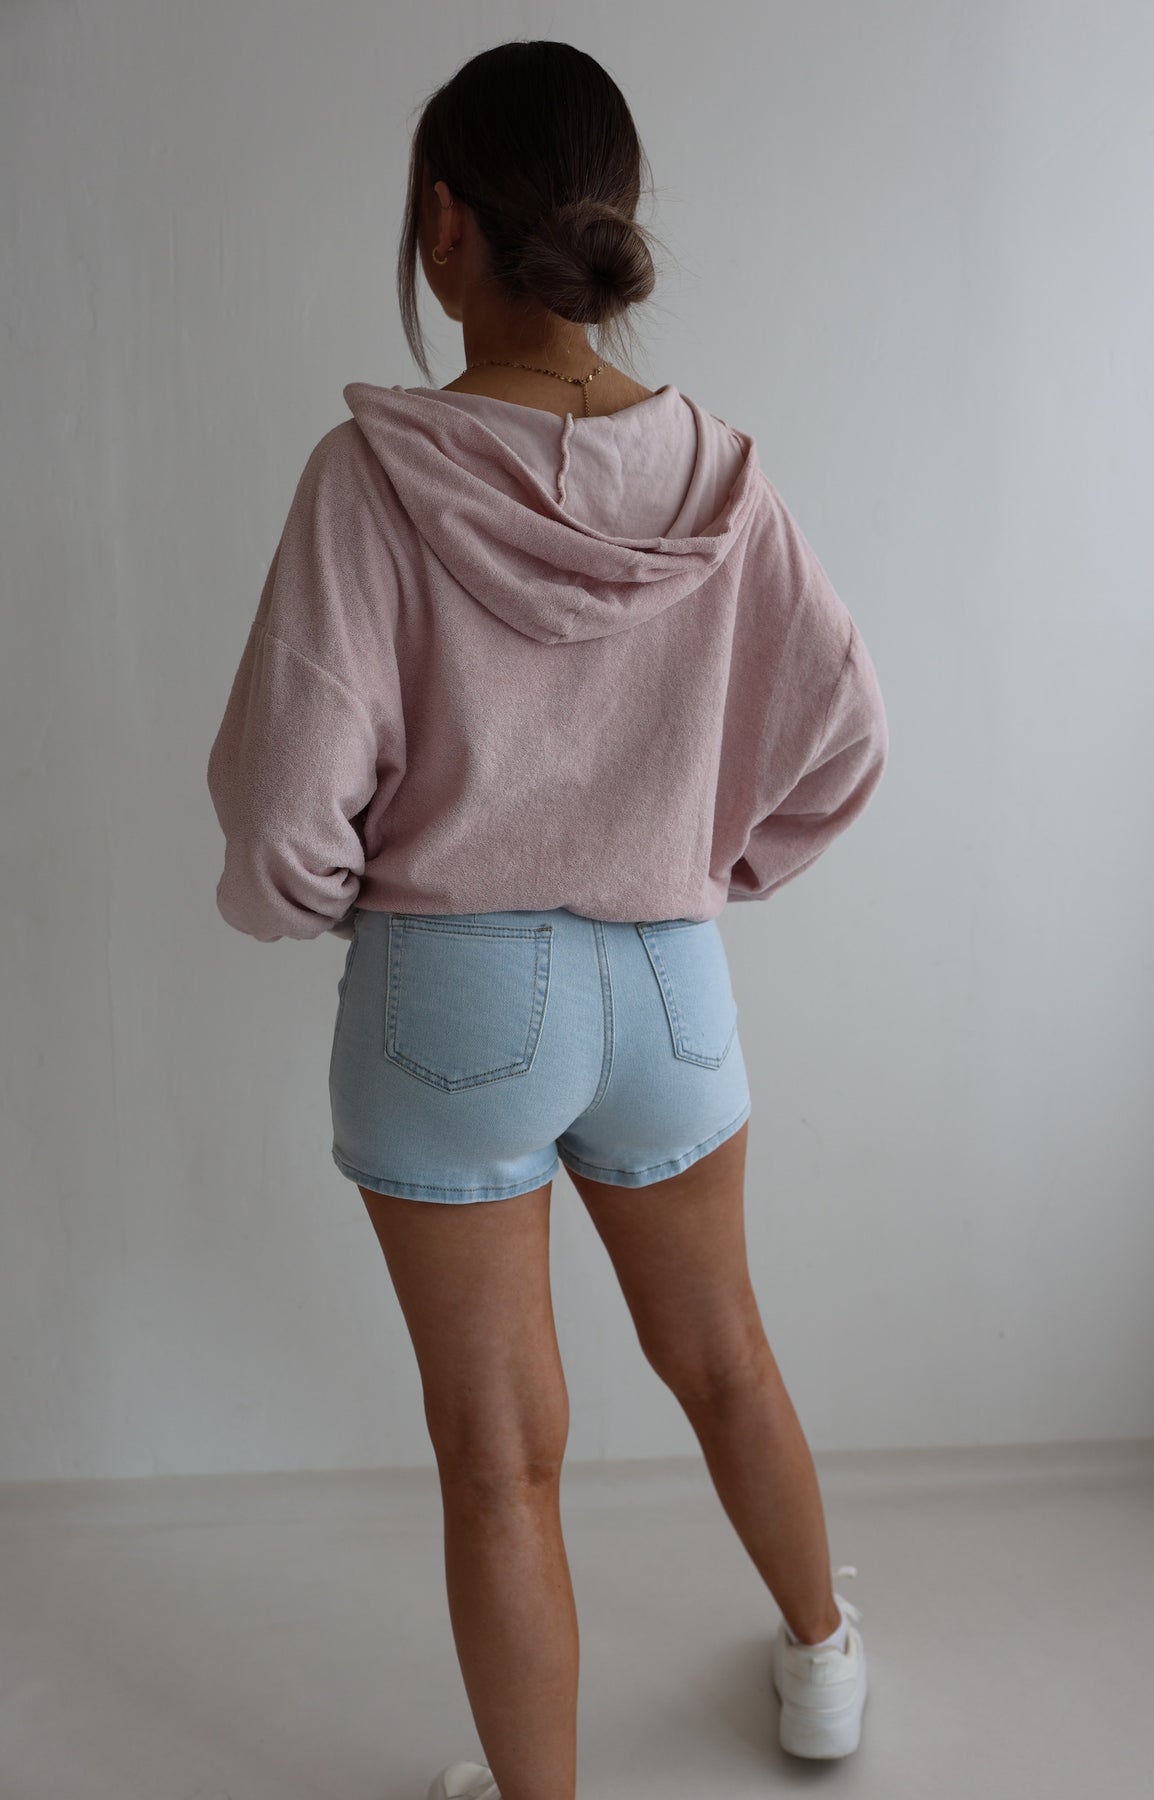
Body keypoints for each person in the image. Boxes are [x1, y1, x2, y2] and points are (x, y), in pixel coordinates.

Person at [206, 37, 888, 1800]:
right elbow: (846, 735)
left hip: (448, 992)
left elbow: (284, 810)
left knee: (501, 1457)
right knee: (726, 1359)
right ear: (610, 223)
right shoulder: (722, 479)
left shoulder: (373, 476)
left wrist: (331, 906)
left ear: (445, 226)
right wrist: (712, 873)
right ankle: (823, 1665)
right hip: (670, 979)